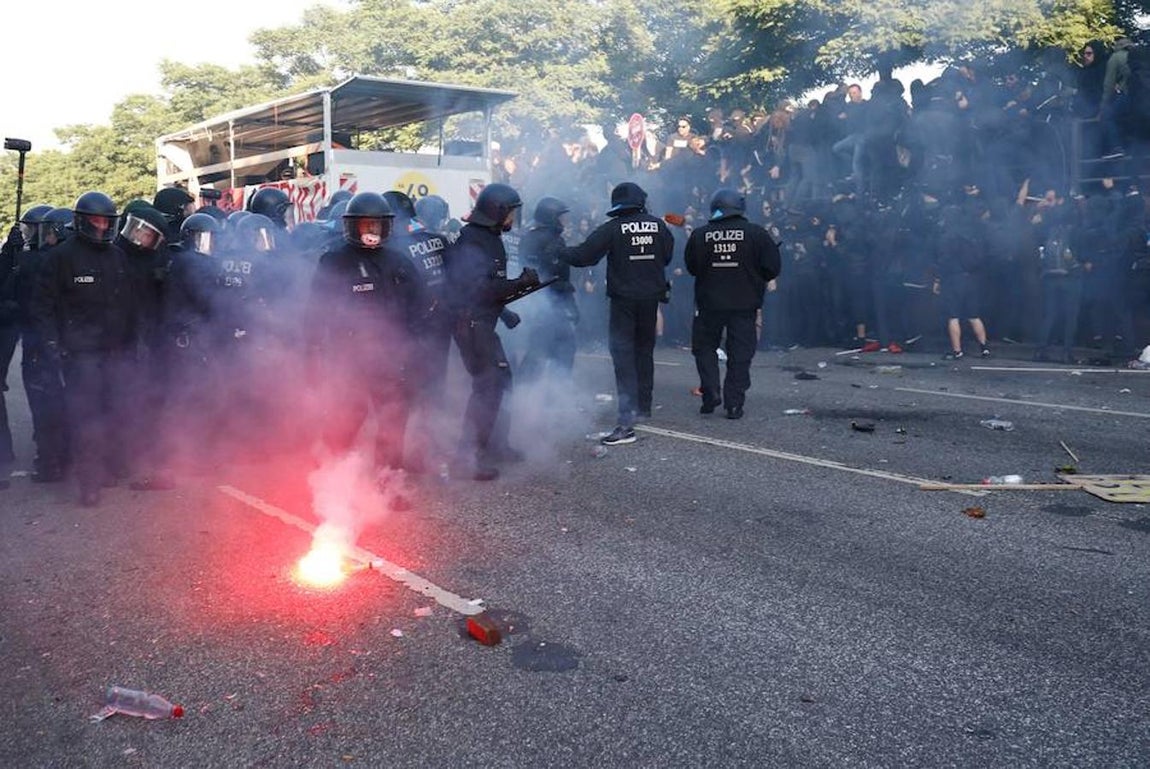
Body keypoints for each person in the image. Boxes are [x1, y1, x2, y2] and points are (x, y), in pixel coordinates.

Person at [31, 192, 139, 506]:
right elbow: (42, 306)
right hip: (80, 353)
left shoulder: (117, 256)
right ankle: (88, 482)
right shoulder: (60, 257)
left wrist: (134, 342)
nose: (102, 226)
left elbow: (128, 303)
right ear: (82, 221)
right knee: (87, 417)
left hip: (114, 350)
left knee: (112, 411)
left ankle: (107, 468)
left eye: (107, 221)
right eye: (96, 220)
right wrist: (51, 344)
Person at [305, 192, 421, 470]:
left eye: (377, 225)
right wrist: (312, 355)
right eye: (366, 225)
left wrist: (412, 347)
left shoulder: (398, 261)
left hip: (391, 355)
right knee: (348, 417)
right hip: (349, 358)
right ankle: (332, 474)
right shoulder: (334, 262)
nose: (372, 231)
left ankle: (388, 483)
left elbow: (419, 304)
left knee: (393, 418)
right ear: (353, 226)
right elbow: (315, 313)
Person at [561, 182, 673, 445]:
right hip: (651, 299)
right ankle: (643, 406)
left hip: (624, 301)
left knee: (623, 356)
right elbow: (667, 257)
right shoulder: (659, 225)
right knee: (644, 352)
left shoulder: (613, 228)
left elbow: (583, 257)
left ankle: (627, 412)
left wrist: (556, 250)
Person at [444, 183, 538, 480]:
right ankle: (466, 457)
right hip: (471, 323)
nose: (512, 218)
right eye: (510, 212)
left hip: (482, 320)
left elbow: (484, 288)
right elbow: (480, 288)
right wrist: (520, 284)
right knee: (488, 386)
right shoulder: (475, 241)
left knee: (502, 381)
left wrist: (505, 310)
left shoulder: (487, 237)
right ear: (497, 211)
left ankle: (496, 445)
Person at [685, 189, 781, 419]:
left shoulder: (700, 235)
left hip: (709, 304)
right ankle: (734, 403)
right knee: (740, 354)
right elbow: (772, 268)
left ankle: (710, 393)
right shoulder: (757, 234)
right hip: (744, 305)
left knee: (704, 349)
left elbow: (692, 267)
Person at [518, 196, 578, 383]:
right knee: (563, 347)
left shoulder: (529, 237)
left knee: (538, 350)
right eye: (561, 218)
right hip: (552, 303)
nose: (565, 222)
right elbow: (557, 276)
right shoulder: (552, 240)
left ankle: (524, 391)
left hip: (536, 303)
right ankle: (553, 394)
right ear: (551, 217)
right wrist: (570, 305)